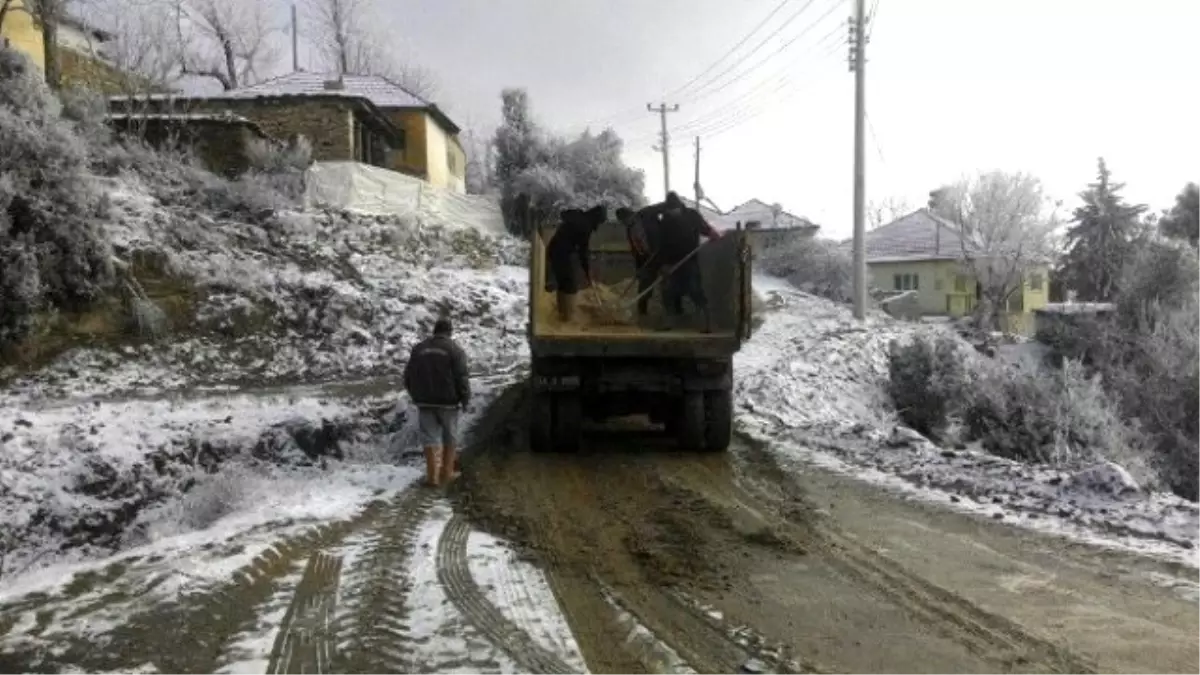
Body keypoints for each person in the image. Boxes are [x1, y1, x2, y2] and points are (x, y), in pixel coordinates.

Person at [403, 317, 471, 487]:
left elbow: (408, 376)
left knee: (429, 438)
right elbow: (462, 378)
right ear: (449, 332)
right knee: (450, 438)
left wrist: (415, 395)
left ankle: (432, 477)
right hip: (448, 403)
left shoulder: (418, 349)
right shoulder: (455, 350)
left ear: (434, 331)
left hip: (425, 402)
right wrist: (465, 399)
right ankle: (447, 474)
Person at [657, 192, 722, 332]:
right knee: (667, 292)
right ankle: (669, 322)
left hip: (689, 260)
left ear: (679, 207)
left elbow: (705, 228)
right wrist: (663, 265)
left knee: (694, 290)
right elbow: (661, 244)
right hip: (671, 262)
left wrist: (712, 233)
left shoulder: (692, 215)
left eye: (673, 210)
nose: (672, 213)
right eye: (669, 210)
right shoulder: (665, 221)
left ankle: (707, 323)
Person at [544, 204, 607, 322]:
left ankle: (562, 314)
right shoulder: (585, 226)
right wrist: (587, 272)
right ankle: (566, 318)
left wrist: (586, 270)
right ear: (596, 218)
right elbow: (583, 252)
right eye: (599, 223)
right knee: (570, 286)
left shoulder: (579, 216)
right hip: (560, 253)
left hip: (556, 250)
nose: (597, 226)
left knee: (564, 284)